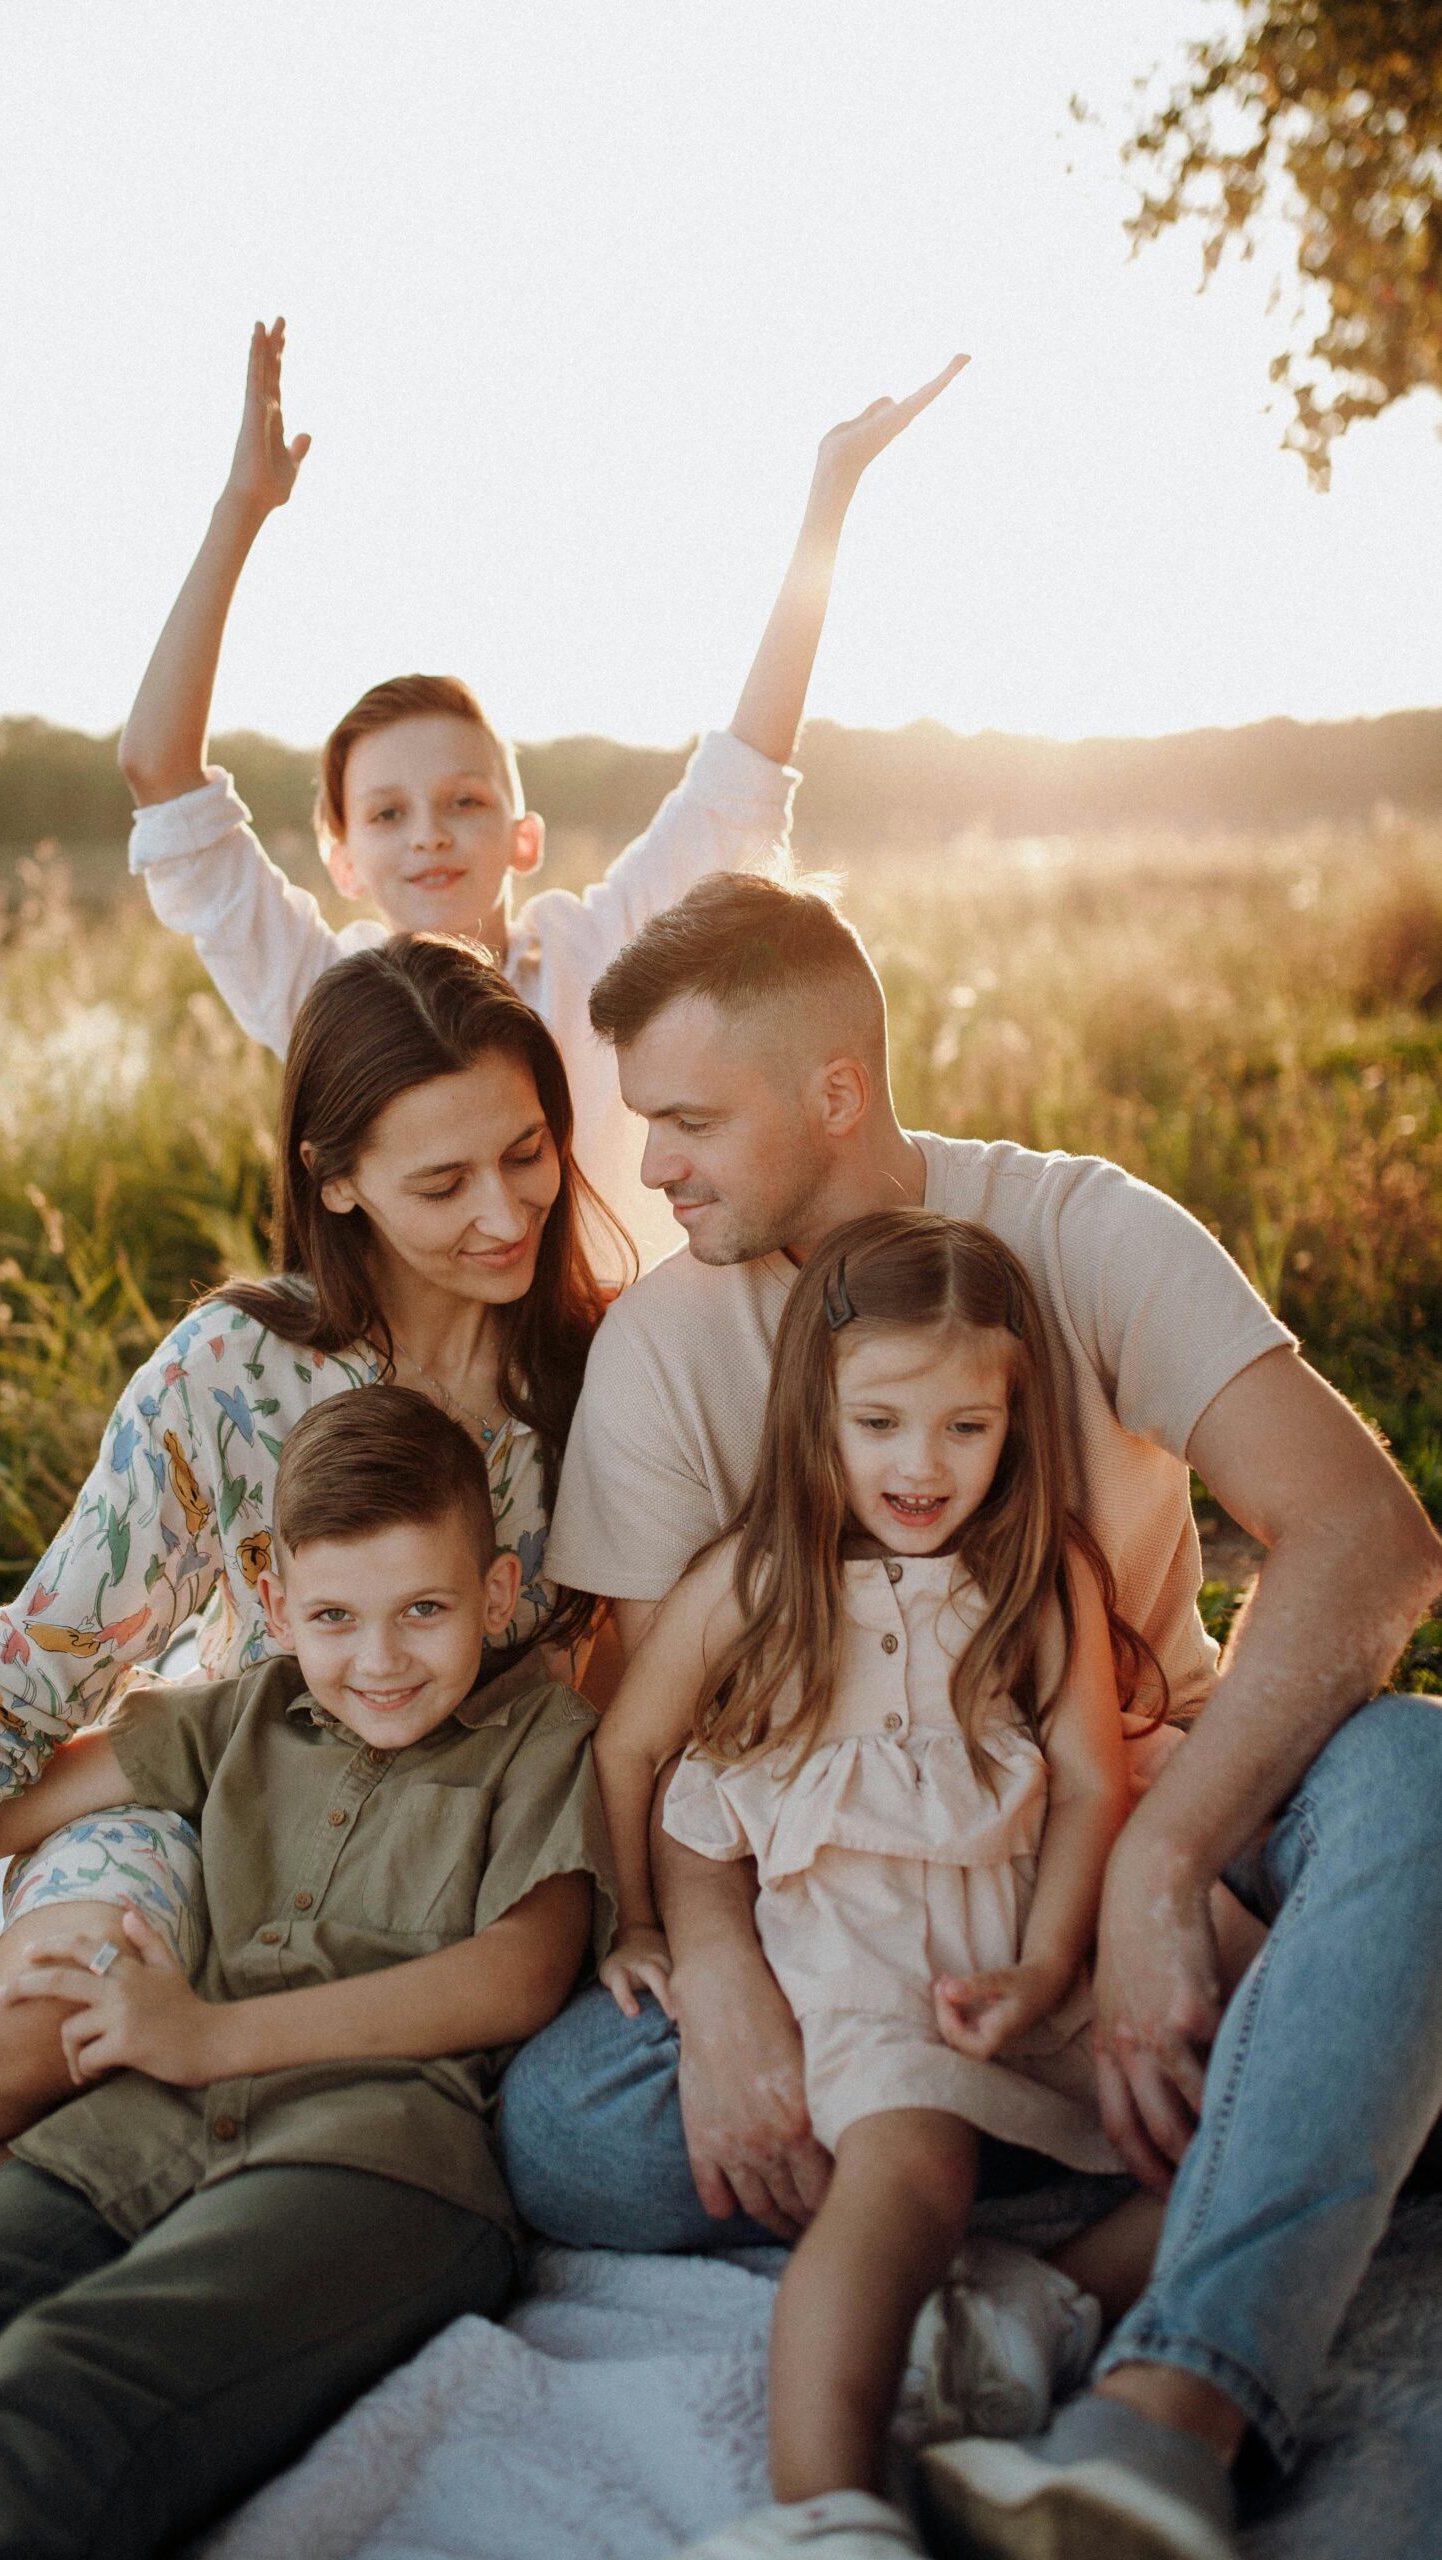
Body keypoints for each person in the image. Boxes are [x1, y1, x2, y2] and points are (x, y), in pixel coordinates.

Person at [502, 872, 1442, 2560]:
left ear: (834, 1094)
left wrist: (1156, 1871)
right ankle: (1265, 2124)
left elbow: (1369, 1539)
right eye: (648, 1124)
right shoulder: (663, 1345)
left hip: (1149, 1839)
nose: (653, 1169)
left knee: (1423, 1776)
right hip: (851, 1926)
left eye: (692, 1120)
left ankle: (1167, 2409)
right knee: (566, 2127)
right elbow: (686, 1757)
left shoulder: (1086, 1231)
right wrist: (713, 1981)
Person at [0, 933, 605, 2228]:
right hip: (190, 1807)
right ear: (340, 1181)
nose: (503, 1210)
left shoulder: (592, 1385)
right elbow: (19, 1686)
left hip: (413, 1865)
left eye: (526, 1151)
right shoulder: (232, 1371)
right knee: (67, 1994)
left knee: (92, 2143)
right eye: (441, 1181)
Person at [0, 1386, 616, 2560]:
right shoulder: (249, 1713)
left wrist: (205, 2037)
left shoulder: (541, 1740)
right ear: (278, 1607)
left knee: (53, 2394)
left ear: (496, 1596)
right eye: (337, 1616)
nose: (382, 1657)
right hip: (136, 2133)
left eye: (424, 1608)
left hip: (376, 2161)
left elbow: (516, 1974)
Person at [116, 317, 969, 1266]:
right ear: (342, 858)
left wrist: (829, 496)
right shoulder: (326, 997)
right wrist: (242, 507)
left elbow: (742, 771)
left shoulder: (603, 953)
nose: (429, 835)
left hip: (634, 1371)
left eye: (464, 801)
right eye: (388, 814)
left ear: (524, 838)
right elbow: (162, 776)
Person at [593, 1211, 1186, 2558]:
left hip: (1030, 1955)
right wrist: (640, 1926)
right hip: (857, 1960)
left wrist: (1046, 1965)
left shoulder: (1034, 1587)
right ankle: (827, 2506)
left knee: (1230, 2103)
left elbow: (1092, 1785)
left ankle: (1027, 2305)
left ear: (1011, 1421)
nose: (919, 1466)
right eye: (878, 1425)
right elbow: (628, 1747)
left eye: (962, 1430)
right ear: (814, 1415)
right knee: (905, 2172)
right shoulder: (754, 1585)